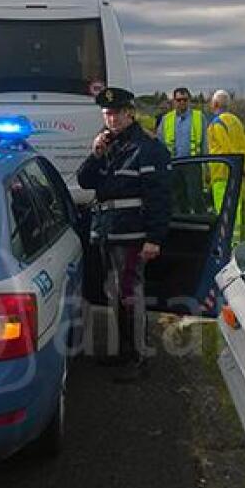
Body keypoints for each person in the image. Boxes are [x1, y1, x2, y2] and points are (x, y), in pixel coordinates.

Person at [77, 87, 171, 383]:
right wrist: (95, 153)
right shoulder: (108, 146)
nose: (112, 119)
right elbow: (84, 180)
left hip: (132, 233)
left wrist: (155, 238)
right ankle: (124, 351)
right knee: (115, 294)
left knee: (131, 295)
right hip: (107, 232)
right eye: (107, 114)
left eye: (117, 113)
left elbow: (160, 197)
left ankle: (140, 358)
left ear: (130, 113)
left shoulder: (148, 149)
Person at [206, 89, 245, 243]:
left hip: (222, 172)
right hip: (237, 172)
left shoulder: (216, 124)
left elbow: (225, 149)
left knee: (223, 209)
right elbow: (244, 146)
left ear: (215, 104)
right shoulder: (236, 122)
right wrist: (242, 167)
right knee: (236, 208)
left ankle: (225, 242)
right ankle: (236, 242)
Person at [157, 87, 206, 213]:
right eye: (179, 100)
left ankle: (200, 225)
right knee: (178, 199)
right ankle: (183, 226)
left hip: (193, 164)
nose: (182, 103)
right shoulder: (166, 119)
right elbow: (159, 144)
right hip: (174, 164)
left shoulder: (199, 117)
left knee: (195, 197)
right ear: (174, 101)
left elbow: (206, 143)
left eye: (185, 100)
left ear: (189, 100)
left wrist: (208, 167)